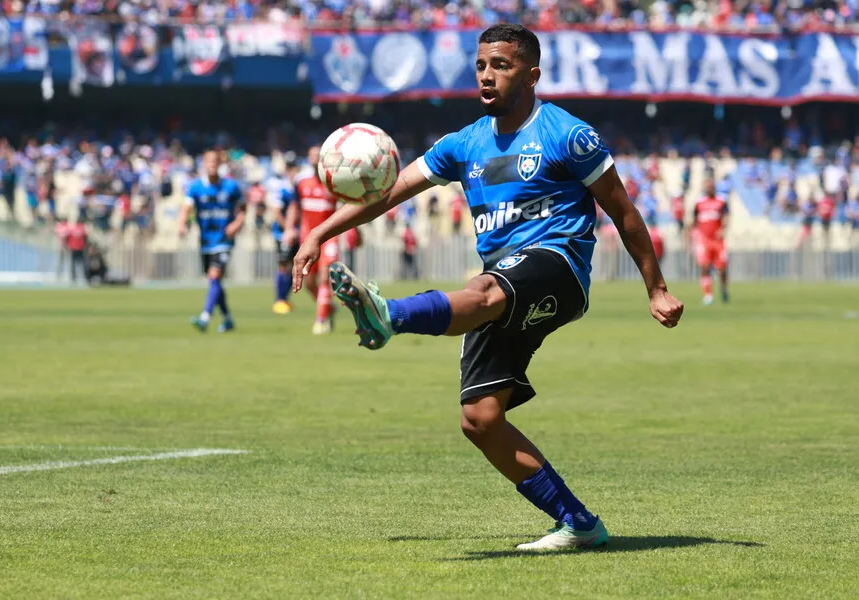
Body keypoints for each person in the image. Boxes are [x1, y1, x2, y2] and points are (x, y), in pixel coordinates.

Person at [293, 24, 683, 552]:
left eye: (501, 65)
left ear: (532, 74)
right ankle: (580, 524)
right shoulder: (464, 143)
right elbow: (391, 193)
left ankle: (390, 315)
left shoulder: (570, 135)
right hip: (502, 277)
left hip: (558, 266)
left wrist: (655, 289)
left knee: (486, 292)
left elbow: (625, 213)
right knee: (480, 418)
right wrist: (319, 231)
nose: (486, 75)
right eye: (481, 65)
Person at [178, 149, 245, 333]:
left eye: (215, 161)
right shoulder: (195, 187)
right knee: (215, 282)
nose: (212, 165)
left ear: (220, 164)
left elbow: (242, 209)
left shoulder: (231, 186)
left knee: (214, 276)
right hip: (206, 241)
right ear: (204, 164)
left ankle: (205, 317)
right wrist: (182, 224)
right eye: (209, 161)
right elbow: (186, 208)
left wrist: (237, 223)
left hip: (224, 239)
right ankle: (228, 319)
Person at [286, 145, 339, 335]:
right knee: (308, 282)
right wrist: (289, 228)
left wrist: (353, 231)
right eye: (313, 155)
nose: (316, 159)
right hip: (307, 239)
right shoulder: (302, 183)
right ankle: (327, 308)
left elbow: (346, 209)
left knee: (325, 278)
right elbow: (294, 206)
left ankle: (321, 320)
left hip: (329, 238)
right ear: (309, 158)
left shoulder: (334, 183)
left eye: (319, 155)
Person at [266, 153, 300, 314]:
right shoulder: (281, 188)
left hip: (298, 233)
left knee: (295, 266)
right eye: (289, 168)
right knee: (283, 265)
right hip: (283, 234)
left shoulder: (298, 187)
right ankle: (279, 300)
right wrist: (288, 229)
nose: (292, 171)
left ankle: (285, 300)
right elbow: (276, 212)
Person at [690, 180, 729, 305]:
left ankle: (723, 289)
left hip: (717, 240)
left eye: (712, 187)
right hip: (704, 239)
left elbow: (726, 216)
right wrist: (693, 235)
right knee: (705, 266)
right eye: (708, 187)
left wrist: (723, 229)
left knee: (722, 268)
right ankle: (708, 295)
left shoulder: (721, 201)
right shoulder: (699, 202)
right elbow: (694, 220)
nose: (710, 189)